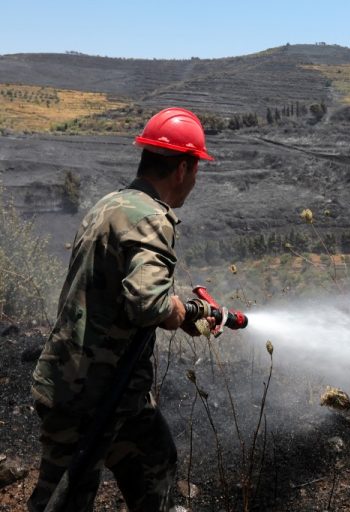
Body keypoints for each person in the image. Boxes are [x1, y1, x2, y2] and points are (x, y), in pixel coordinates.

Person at [28, 107, 214, 512]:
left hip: (108, 387)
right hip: (88, 394)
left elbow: (121, 288)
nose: (195, 181)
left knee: (156, 461)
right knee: (61, 501)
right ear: (182, 169)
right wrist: (177, 311)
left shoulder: (112, 203)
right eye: (196, 170)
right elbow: (148, 302)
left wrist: (175, 307)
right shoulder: (152, 218)